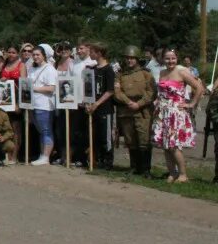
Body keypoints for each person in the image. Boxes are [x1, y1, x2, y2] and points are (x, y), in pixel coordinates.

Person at [152, 49, 204, 183]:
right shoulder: (162, 72)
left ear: (177, 59)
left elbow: (199, 88)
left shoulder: (182, 72)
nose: (170, 61)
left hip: (176, 112)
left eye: (173, 58)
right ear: (163, 59)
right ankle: (172, 172)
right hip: (162, 112)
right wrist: (157, 101)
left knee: (174, 145)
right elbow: (161, 92)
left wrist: (191, 104)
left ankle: (183, 174)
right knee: (165, 145)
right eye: (167, 58)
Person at [113, 46, 156, 176]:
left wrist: (139, 104)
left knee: (144, 139)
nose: (129, 60)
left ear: (137, 59)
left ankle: (146, 169)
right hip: (126, 110)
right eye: (127, 58)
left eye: (132, 58)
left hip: (142, 111)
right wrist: (128, 102)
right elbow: (117, 92)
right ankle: (134, 167)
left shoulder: (146, 74)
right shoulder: (120, 74)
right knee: (130, 139)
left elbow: (151, 92)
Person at [84, 42, 115, 170]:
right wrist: (88, 103)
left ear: (99, 53)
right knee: (95, 135)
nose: (90, 54)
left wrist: (97, 103)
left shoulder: (108, 69)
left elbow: (110, 90)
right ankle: (97, 159)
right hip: (93, 107)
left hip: (104, 108)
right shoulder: (93, 69)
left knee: (105, 136)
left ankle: (107, 161)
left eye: (92, 52)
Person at [29, 44, 57, 166]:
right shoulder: (32, 68)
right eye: (34, 55)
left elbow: (51, 88)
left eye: (38, 55)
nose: (35, 57)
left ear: (44, 56)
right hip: (33, 104)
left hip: (44, 105)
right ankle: (42, 155)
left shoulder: (50, 69)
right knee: (41, 131)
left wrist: (34, 88)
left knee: (46, 130)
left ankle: (45, 156)